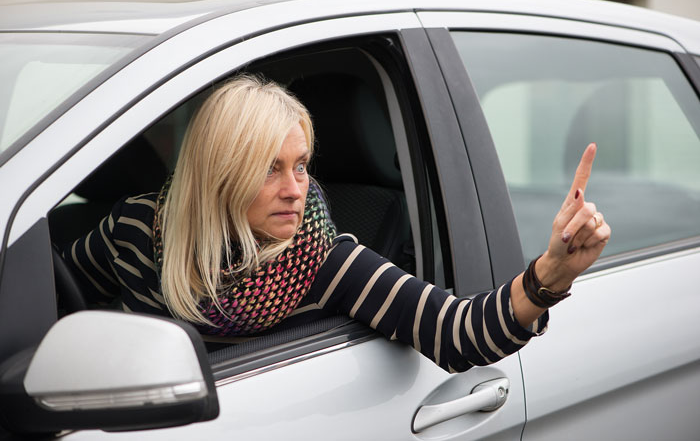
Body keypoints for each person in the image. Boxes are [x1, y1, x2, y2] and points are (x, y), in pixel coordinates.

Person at [62, 75, 610, 372]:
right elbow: (51, 300)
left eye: (300, 165)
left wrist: (549, 275)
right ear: (218, 175)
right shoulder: (137, 230)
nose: (295, 188)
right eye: (269, 169)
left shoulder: (322, 260)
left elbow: (458, 332)